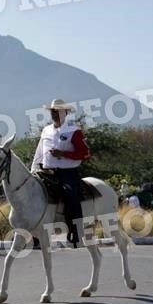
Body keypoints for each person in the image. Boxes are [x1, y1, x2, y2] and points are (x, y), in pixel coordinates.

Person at [30, 99, 91, 248]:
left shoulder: (74, 131)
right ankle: (34, 234)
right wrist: (33, 169)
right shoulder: (46, 130)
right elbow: (39, 152)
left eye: (58, 111)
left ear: (66, 113)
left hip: (67, 173)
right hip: (45, 171)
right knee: (31, 195)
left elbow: (85, 154)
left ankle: (75, 231)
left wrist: (63, 154)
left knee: (70, 195)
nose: (54, 114)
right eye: (53, 111)